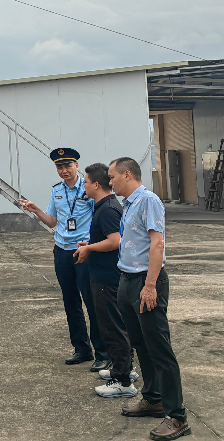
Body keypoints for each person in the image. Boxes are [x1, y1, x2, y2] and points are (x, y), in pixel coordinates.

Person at [108, 157, 190, 441]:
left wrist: (151, 286)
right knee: (141, 343)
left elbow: (158, 243)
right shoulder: (129, 204)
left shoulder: (148, 201)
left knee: (159, 348)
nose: (110, 182)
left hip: (146, 281)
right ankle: (153, 399)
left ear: (127, 174)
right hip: (127, 279)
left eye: (112, 177)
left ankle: (177, 416)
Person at [19, 148, 108, 370]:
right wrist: (36, 210)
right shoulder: (57, 190)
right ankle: (81, 349)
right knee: (70, 301)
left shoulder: (89, 188)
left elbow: (100, 216)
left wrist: (93, 244)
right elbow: (52, 221)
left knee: (92, 301)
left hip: (84, 250)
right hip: (62, 250)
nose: (64, 171)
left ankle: (103, 352)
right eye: (59, 167)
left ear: (77, 166)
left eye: (68, 166)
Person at [73, 163, 138, 398]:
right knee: (115, 325)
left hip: (108, 278)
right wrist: (90, 244)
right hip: (104, 275)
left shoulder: (108, 209)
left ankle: (123, 380)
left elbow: (115, 241)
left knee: (113, 327)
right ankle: (124, 368)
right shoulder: (104, 206)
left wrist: (89, 248)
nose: (84, 186)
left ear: (96, 184)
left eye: (86, 182)